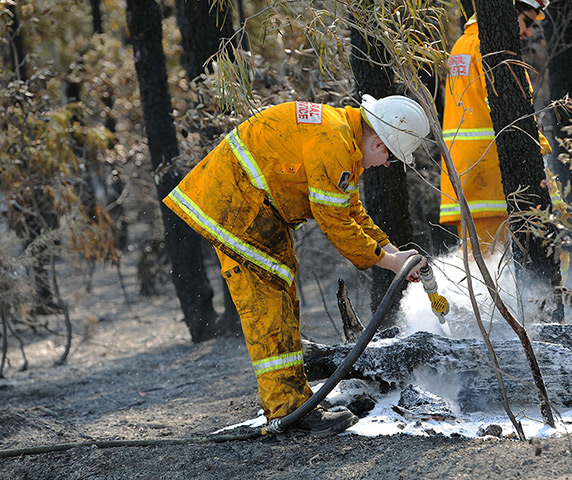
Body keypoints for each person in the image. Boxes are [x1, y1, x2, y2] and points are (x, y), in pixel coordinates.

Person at [163, 94, 430, 436]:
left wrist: (393, 251)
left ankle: (294, 404)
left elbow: (351, 210)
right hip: (239, 206)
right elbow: (335, 221)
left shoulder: (342, 137)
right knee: (268, 306)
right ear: (379, 141)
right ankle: (289, 412)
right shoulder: (333, 140)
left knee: (281, 299)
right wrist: (389, 262)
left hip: (252, 206)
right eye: (390, 156)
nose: (387, 164)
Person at [440, 0, 558, 256]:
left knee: (479, 264)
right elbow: (515, 108)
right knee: (510, 263)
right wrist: (540, 145)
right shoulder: (492, 47)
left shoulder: (463, 44)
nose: (527, 32)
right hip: (493, 172)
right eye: (527, 21)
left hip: (466, 172)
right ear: (509, 8)